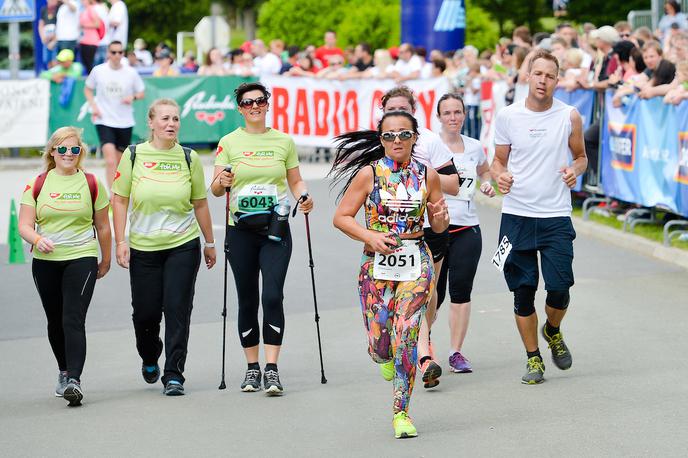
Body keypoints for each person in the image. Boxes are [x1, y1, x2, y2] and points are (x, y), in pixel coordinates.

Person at [330, 110, 449, 439]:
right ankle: (381, 354)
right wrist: (369, 236)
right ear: (381, 139)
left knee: (407, 337)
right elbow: (341, 217)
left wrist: (440, 218)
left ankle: (401, 413)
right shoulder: (369, 174)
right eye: (389, 135)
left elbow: (439, 226)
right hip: (376, 265)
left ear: (415, 138)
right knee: (382, 344)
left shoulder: (428, 175)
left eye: (404, 134)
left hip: (416, 262)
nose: (397, 141)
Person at [490, 49, 587, 385]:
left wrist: (575, 170)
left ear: (557, 80)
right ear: (528, 76)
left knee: (559, 288)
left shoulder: (569, 116)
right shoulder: (508, 117)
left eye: (550, 75)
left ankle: (553, 329)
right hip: (516, 215)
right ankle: (533, 359)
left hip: (555, 214)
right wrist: (499, 176)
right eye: (538, 73)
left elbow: (581, 157)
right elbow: (497, 163)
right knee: (523, 290)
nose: (543, 80)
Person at [211, 82, 313, 396]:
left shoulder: (283, 141)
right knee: (247, 298)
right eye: (247, 103)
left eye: (260, 101)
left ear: (267, 105)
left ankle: (271, 368)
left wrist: (304, 196)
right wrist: (222, 180)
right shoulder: (228, 141)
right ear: (240, 109)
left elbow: (294, 180)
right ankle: (251, 368)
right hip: (240, 229)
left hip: (276, 229)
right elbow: (215, 189)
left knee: (272, 295)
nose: (254, 106)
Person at [112, 99, 216, 396]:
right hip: (144, 247)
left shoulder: (188, 157)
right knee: (145, 314)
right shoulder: (133, 155)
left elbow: (199, 202)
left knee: (177, 308)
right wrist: (121, 241)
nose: (171, 124)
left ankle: (174, 373)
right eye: (165, 119)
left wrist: (209, 243)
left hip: (182, 244)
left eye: (176, 119)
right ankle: (149, 355)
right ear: (152, 123)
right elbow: (120, 200)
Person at [18, 126, 112, 407]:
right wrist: (37, 238)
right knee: (55, 320)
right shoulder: (37, 184)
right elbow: (24, 225)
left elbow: (103, 227)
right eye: (62, 149)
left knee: (73, 318)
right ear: (52, 152)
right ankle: (63, 370)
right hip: (45, 263)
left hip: (81, 257)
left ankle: (74, 380)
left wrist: (105, 259)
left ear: (80, 153)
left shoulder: (92, 183)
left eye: (74, 149)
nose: (68, 154)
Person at [380, 86, 459, 390]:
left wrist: (425, 178)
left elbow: (454, 181)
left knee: (428, 293)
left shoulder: (428, 141)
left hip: (429, 227)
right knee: (396, 298)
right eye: (391, 110)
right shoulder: (383, 141)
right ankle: (421, 354)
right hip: (393, 233)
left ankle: (422, 348)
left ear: (413, 111)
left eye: (404, 110)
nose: (397, 118)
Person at [434, 93, 495, 373]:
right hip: (434, 228)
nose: (453, 117)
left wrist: (487, 184)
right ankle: (425, 347)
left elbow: (485, 171)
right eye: (447, 113)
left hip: (467, 228)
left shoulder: (474, 147)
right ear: (439, 117)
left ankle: (456, 352)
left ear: (464, 115)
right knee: (433, 293)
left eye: (457, 112)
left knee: (461, 291)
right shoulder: (430, 148)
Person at [84, 40, 145, 190]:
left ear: (123, 54)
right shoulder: (99, 70)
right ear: (108, 53)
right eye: (113, 52)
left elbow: (141, 92)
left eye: (120, 52)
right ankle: (112, 196)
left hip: (125, 121)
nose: (117, 55)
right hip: (104, 119)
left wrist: (133, 97)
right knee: (110, 161)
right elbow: (87, 89)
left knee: (120, 162)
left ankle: (120, 193)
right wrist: (94, 106)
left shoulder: (131, 72)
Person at [78, 0, 104, 74]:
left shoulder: (91, 9)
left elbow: (97, 24)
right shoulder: (84, 10)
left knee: (90, 64)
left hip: (91, 41)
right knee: (86, 63)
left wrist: (84, 25)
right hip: (83, 41)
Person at [38, 0, 59, 70]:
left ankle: (57, 78)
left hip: (56, 38)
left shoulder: (59, 8)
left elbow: (61, 24)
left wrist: (54, 38)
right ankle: (51, 77)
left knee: (55, 59)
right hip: (46, 39)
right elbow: (41, 24)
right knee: (47, 60)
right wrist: (43, 37)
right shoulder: (44, 9)